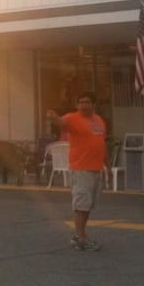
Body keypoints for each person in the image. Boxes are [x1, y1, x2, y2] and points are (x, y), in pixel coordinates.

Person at [54, 93, 108, 251]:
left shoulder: (99, 120)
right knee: (81, 205)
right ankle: (80, 238)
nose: (84, 105)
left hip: (96, 168)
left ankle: (81, 235)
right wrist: (53, 118)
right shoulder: (72, 118)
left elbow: (102, 144)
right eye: (81, 102)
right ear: (77, 105)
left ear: (94, 104)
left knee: (88, 205)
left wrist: (108, 167)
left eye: (87, 102)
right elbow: (62, 124)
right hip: (81, 168)